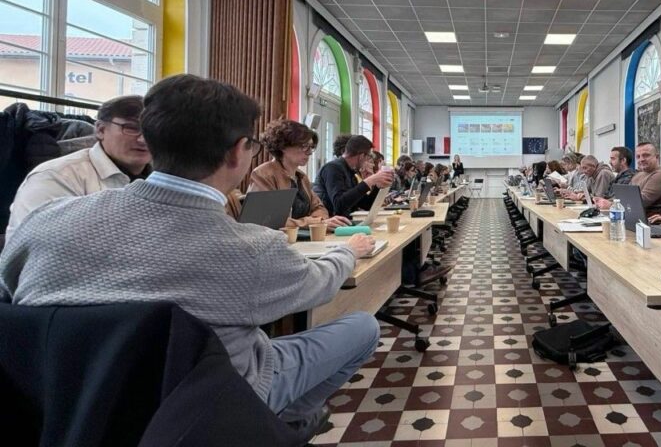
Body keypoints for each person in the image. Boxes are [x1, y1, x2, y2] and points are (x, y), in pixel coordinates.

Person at [0, 75, 380, 441]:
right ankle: (278, 424)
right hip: (211, 400)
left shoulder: (46, 221)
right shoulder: (248, 250)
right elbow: (319, 284)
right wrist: (346, 252)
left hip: (63, 405)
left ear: (151, 139)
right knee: (363, 327)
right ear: (237, 151)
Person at [6, 95, 152, 235]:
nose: (143, 139)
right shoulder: (56, 177)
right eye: (131, 128)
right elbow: (45, 249)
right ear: (101, 130)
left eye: (151, 130)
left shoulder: (160, 179)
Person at [249, 120, 348, 231]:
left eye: (311, 147)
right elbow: (267, 221)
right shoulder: (263, 174)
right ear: (283, 146)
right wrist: (314, 222)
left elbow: (320, 208)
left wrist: (316, 222)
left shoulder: (301, 177)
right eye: (304, 146)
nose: (309, 152)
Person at [314, 135, 394, 218]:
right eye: (369, 157)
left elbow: (367, 205)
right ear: (362, 156)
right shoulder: (332, 168)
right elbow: (339, 205)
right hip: (329, 225)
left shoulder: (350, 172)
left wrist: (377, 187)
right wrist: (370, 181)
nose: (368, 161)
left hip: (344, 223)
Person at [597, 142, 661, 216]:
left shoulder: (660, 175)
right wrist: (601, 202)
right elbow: (625, 197)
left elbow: (638, 203)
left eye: (646, 155)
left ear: (657, 157)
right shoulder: (639, 174)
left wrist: (610, 205)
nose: (641, 159)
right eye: (638, 157)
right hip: (630, 218)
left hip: (648, 224)